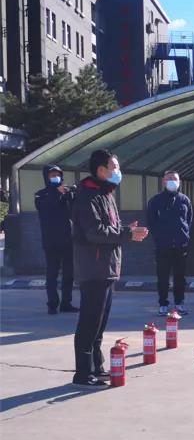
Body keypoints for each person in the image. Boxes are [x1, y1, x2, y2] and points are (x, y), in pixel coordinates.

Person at [72, 150, 149, 388]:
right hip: (94, 268)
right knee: (89, 322)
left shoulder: (105, 193)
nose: (118, 171)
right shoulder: (88, 196)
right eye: (114, 167)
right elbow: (95, 232)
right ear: (101, 170)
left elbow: (109, 227)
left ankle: (97, 367)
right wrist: (127, 234)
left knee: (99, 324)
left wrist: (126, 229)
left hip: (106, 267)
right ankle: (83, 373)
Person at [147, 171, 193, 316]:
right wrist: (159, 237)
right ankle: (163, 304)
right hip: (163, 246)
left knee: (180, 276)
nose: (172, 181)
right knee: (163, 276)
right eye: (169, 179)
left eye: (174, 179)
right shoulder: (155, 201)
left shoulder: (184, 200)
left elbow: (189, 220)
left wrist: (184, 235)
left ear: (179, 182)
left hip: (180, 245)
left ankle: (179, 303)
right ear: (163, 182)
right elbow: (151, 221)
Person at [34, 165, 78, 315]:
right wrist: (57, 193)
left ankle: (66, 303)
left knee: (69, 273)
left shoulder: (65, 193)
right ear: (46, 177)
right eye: (52, 175)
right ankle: (52, 303)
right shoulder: (41, 195)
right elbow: (45, 207)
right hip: (51, 240)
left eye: (57, 175)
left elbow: (74, 211)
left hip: (67, 239)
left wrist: (72, 195)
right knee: (52, 273)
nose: (55, 177)